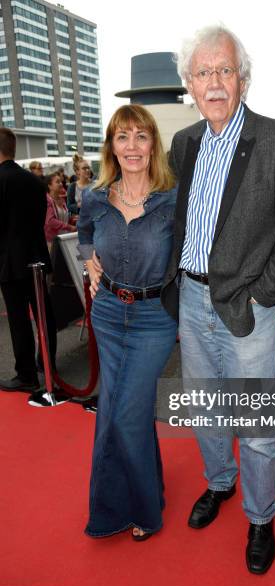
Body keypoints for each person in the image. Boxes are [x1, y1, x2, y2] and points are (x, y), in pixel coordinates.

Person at [161, 25, 275, 574]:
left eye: (224, 70)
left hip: (249, 313)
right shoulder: (183, 144)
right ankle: (219, 485)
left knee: (255, 429)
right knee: (206, 413)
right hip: (192, 303)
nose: (215, 82)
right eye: (203, 73)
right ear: (189, 84)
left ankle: (259, 516)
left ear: (242, 78)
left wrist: (264, 296)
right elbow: (172, 219)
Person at [77, 104, 177, 541]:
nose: (132, 146)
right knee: (114, 415)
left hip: (155, 319)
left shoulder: (175, 198)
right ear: (111, 146)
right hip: (108, 313)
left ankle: (145, 510)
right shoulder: (95, 196)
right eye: (123, 137)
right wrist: (89, 264)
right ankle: (120, 503)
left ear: (153, 143)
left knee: (126, 417)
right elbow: (82, 236)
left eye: (140, 136)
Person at [0, 128, 57, 391]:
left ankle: (26, 375)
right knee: (44, 314)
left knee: (18, 319)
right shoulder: (35, 181)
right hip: (36, 256)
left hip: (9, 260)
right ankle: (47, 365)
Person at [44, 173, 75, 248]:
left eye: (61, 181)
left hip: (64, 238)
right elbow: (50, 221)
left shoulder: (62, 199)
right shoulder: (47, 200)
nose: (61, 184)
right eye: (57, 182)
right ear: (49, 186)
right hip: (53, 242)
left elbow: (63, 217)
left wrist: (72, 219)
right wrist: (69, 227)